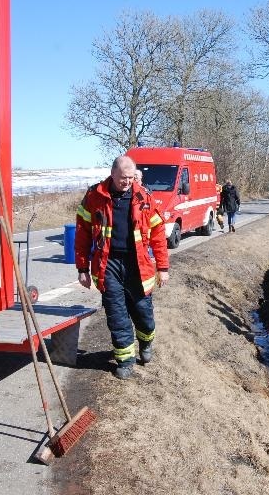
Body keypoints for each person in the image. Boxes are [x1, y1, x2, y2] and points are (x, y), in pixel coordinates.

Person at [75, 155, 170, 379]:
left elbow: (158, 235)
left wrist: (162, 267)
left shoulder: (144, 196)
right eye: (122, 178)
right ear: (112, 174)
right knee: (116, 315)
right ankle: (125, 360)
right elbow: (82, 234)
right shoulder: (94, 196)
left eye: (130, 177)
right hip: (108, 265)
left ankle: (146, 342)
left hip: (138, 265)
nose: (127, 182)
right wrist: (82, 268)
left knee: (142, 312)